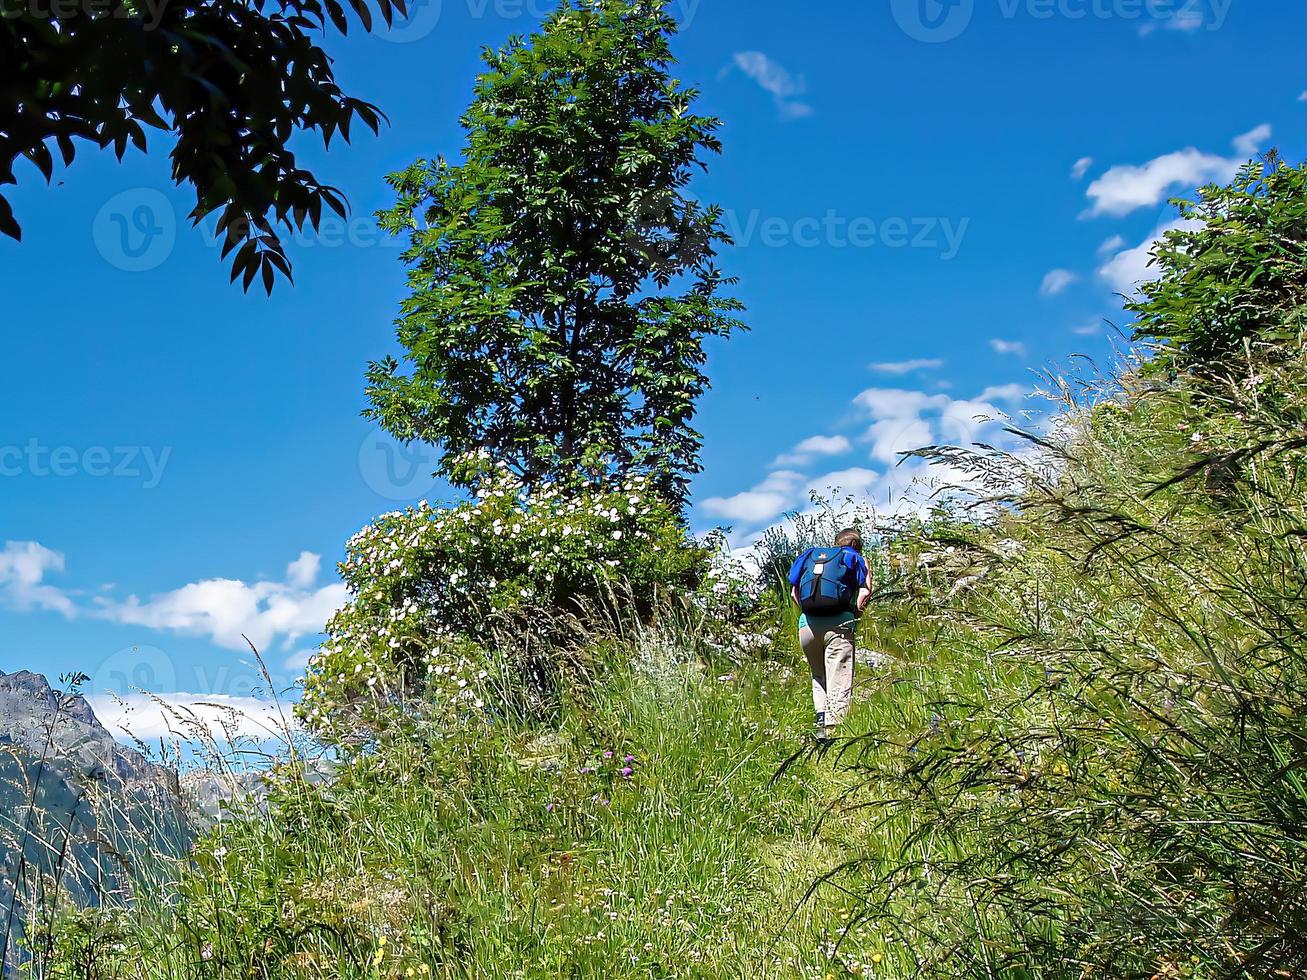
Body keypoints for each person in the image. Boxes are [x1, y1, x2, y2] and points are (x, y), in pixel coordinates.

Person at [787, 528, 873, 740]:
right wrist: (855, 616)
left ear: (836, 542)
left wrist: (808, 613)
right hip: (839, 622)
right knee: (839, 676)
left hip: (807, 625)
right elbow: (864, 593)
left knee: (819, 675)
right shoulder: (855, 558)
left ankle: (820, 724)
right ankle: (834, 732)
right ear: (858, 544)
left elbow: (793, 591)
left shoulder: (810, 555)